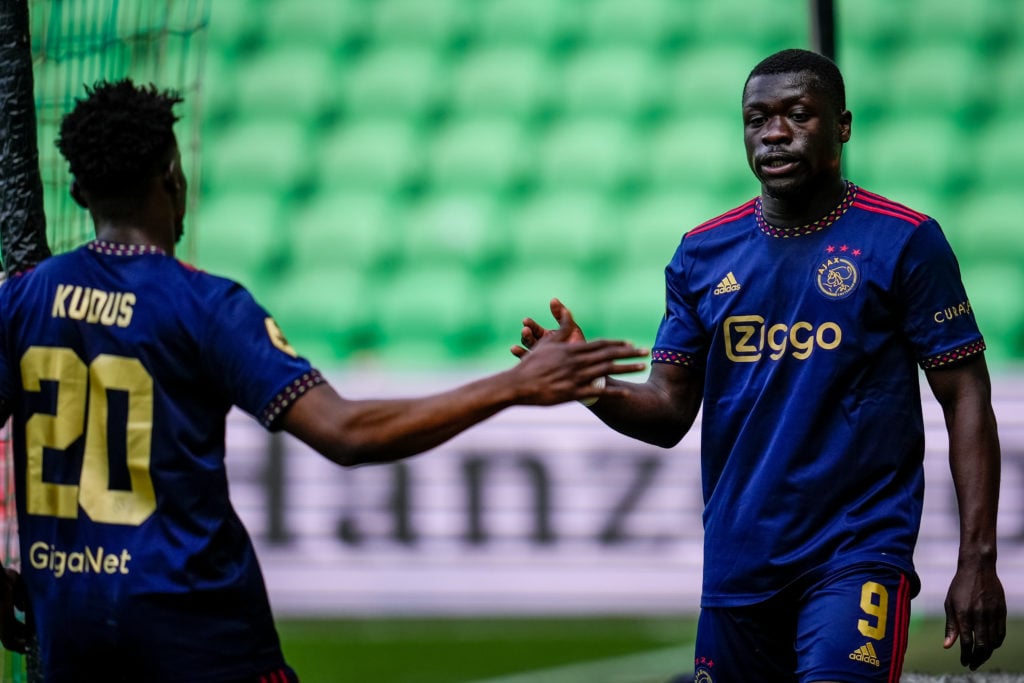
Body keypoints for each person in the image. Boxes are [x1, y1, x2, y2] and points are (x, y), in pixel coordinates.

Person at [0, 79, 647, 682]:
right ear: (173, 176)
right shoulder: (205, 306)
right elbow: (343, 433)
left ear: (80, 192)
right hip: (198, 635)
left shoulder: (22, 299)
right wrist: (512, 385)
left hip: (70, 631)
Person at [515, 48, 1006, 682]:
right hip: (737, 564)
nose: (774, 132)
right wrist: (592, 385)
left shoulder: (904, 240)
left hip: (855, 553)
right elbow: (666, 412)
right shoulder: (701, 253)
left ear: (843, 126)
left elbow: (966, 395)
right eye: (757, 119)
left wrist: (978, 560)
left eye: (798, 114)